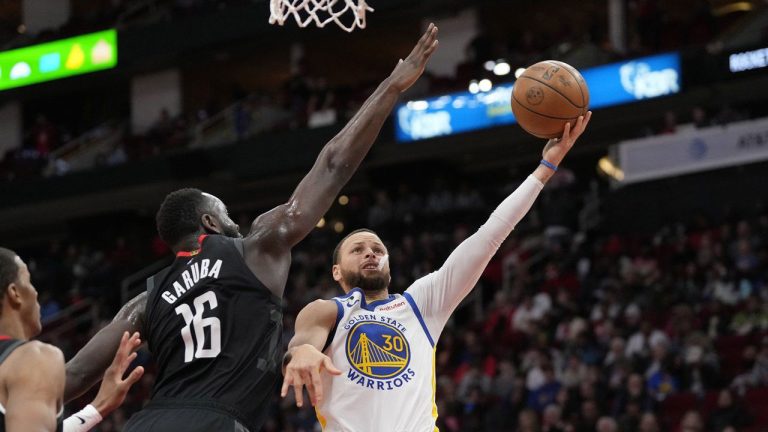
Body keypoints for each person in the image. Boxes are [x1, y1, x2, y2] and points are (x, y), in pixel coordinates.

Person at [62, 25, 440, 432]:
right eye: (226, 214)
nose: (236, 223)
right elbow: (332, 165)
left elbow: (74, 376)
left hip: (149, 422)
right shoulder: (255, 248)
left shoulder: (144, 301)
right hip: (218, 422)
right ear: (210, 222)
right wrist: (391, 88)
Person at [281, 112, 592, 431]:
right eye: (358, 249)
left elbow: (490, 235)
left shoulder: (421, 303)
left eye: (377, 249)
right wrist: (301, 351)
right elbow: (302, 343)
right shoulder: (327, 312)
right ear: (336, 271)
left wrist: (545, 169)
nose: (370, 253)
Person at [0, 247, 144, 432]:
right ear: (15, 293)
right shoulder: (33, 358)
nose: (36, 293)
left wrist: (95, 409)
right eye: (29, 282)